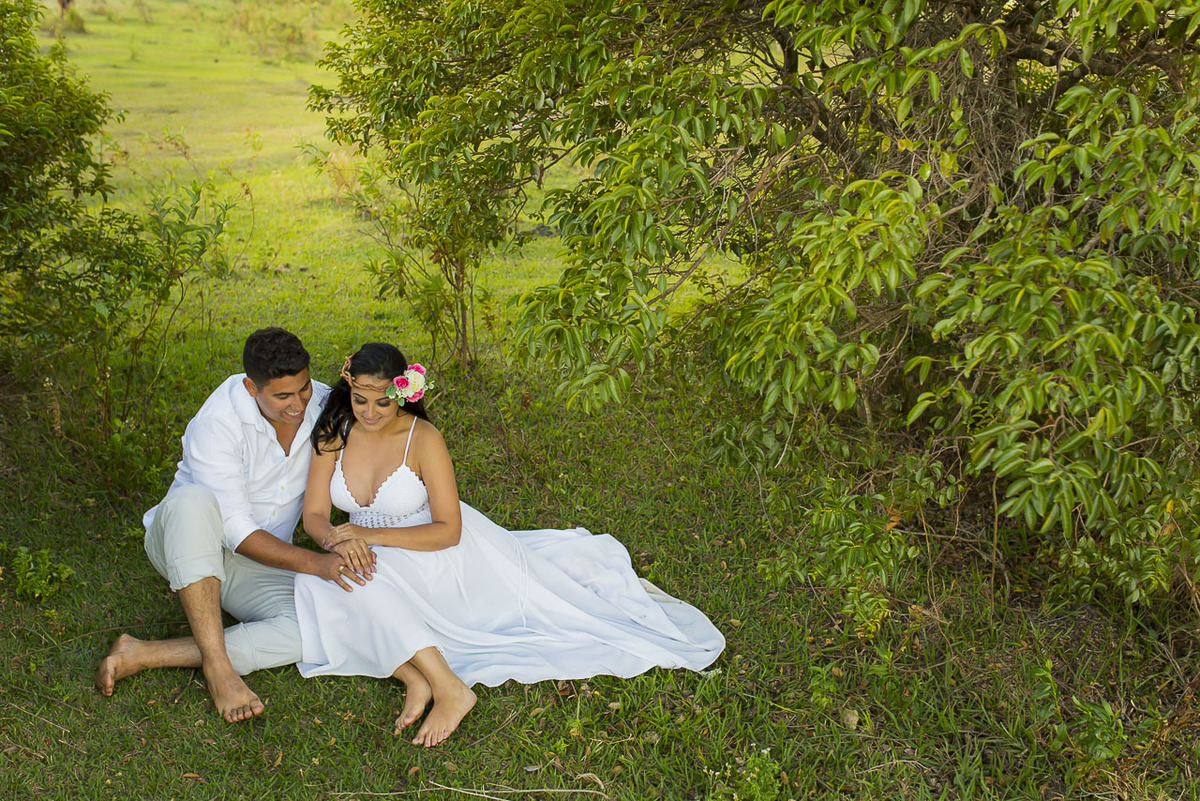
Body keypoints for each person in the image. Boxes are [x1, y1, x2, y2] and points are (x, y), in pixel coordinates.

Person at [294, 342, 725, 747]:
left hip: (431, 550)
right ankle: (415, 677)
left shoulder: (423, 438)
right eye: (360, 399)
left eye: (382, 401)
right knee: (319, 580)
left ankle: (450, 689)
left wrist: (367, 536)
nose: (369, 411)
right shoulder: (336, 430)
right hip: (363, 548)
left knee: (364, 583)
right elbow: (314, 514)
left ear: (403, 394)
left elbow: (449, 530)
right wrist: (338, 540)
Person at [95, 328, 375, 722]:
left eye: (303, 389)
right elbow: (234, 529)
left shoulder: (323, 405)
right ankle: (218, 668)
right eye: (282, 396)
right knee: (194, 501)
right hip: (189, 542)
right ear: (250, 387)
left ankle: (145, 653)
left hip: (260, 562)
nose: (297, 405)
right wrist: (316, 564)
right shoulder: (218, 421)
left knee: (320, 625)